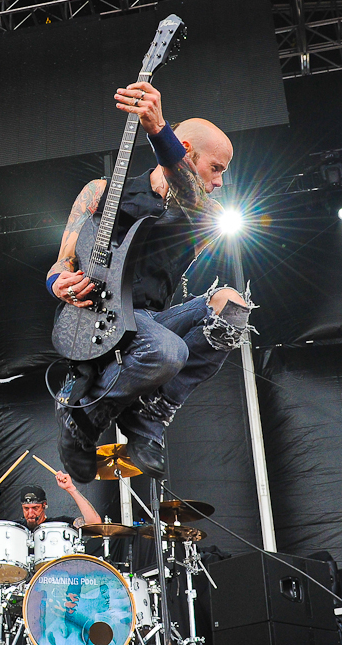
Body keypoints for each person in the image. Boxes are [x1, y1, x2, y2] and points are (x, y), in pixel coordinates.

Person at [47, 81, 255, 483]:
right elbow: (62, 262)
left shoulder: (205, 214)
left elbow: (186, 190)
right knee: (169, 349)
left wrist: (159, 129)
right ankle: (81, 419)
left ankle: (150, 414)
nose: (221, 182)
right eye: (217, 169)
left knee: (231, 306)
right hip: (94, 319)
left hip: (148, 324)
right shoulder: (100, 192)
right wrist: (58, 284)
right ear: (188, 152)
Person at [0, 471, 101, 542]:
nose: (31, 513)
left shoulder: (60, 524)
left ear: (44, 505)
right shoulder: (14, 529)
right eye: (26, 509)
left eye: (35, 508)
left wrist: (71, 489)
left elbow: (95, 524)